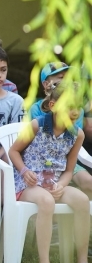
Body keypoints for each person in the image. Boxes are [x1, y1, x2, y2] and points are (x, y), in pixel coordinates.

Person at [8, 86, 92, 263]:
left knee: (82, 200)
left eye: (78, 107)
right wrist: (24, 171)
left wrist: (61, 185)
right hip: (28, 184)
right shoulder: (36, 125)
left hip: (54, 182)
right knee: (46, 201)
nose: (75, 112)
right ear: (53, 106)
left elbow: (69, 170)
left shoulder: (77, 135)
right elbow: (13, 151)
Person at [29, 63, 92, 195]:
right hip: (41, 162)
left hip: (66, 160)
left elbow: (72, 137)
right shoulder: (36, 108)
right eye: (61, 78)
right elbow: (39, 139)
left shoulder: (77, 111)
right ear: (46, 84)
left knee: (89, 182)